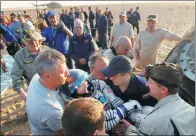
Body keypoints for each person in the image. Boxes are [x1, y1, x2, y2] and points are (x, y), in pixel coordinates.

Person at [59, 70, 148, 132]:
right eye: (80, 85)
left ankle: (147, 120)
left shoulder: (97, 84)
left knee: (145, 109)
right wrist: (123, 111)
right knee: (133, 106)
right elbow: (101, 121)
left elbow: (113, 98)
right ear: (73, 93)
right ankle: (147, 125)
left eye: (84, 81)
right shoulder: (81, 107)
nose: (85, 84)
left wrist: (122, 107)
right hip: (106, 123)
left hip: (117, 110)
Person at [125, 62, 195, 135]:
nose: (146, 84)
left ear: (163, 90)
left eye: (150, 82)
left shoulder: (151, 124)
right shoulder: (192, 110)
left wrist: (130, 129)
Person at [26, 49, 70, 135]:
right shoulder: (51, 110)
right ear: (48, 76)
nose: (67, 73)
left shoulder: (37, 77)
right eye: (62, 72)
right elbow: (63, 133)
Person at [11, 30, 48, 101]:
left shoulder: (47, 51)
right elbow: (16, 76)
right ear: (24, 42)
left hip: (52, 85)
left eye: (35, 40)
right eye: (29, 41)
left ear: (39, 41)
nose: (33, 43)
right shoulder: (19, 56)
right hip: (36, 89)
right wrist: (22, 92)